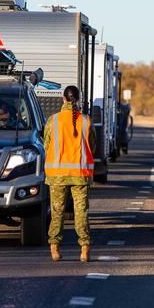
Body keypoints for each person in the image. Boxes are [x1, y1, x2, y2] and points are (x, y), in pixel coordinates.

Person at [44, 85, 96, 262]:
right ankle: (84, 248)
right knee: (81, 210)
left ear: (63, 99)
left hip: (57, 175)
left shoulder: (53, 120)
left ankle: (55, 248)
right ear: (78, 99)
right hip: (80, 174)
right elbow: (93, 146)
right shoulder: (86, 120)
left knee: (57, 211)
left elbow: (46, 145)